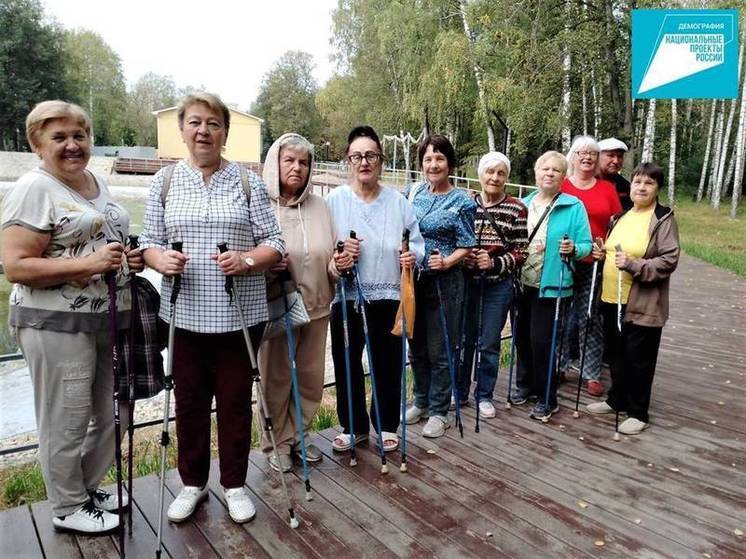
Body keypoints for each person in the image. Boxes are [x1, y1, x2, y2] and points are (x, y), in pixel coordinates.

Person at [140, 93, 284, 524]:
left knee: (236, 403)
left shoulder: (247, 183)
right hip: (183, 315)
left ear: (225, 132)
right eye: (195, 123)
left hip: (238, 315)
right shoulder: (163, 182)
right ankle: (193, 483)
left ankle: (235, 484)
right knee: (189, 403)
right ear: (182, 129)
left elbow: (274, 244)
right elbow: (148, 241)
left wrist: (246, 261)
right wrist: (157, 259)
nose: (204, 131)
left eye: (213, 124)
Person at [1, 100, 143, 533]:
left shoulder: (95, 180)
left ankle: (86, 487)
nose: (71, 145)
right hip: (55, 324)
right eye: (59, 137)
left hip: (105, 321)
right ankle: (66, 506)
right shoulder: (33, 187)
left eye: (79, 135)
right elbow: (16, 266)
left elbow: (99, 241)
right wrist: (89, 265)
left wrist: (125, 260)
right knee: (68, 415)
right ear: (37, 143)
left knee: (114, 408)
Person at [327, 125, 424, 453]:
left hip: (388, 296)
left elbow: (418, 244)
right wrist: (339, 258)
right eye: (357, 156)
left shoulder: (398, 202)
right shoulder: (334, 201)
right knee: (347, 362)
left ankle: (385, 423)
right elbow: (325, 249)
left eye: (370, 155)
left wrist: (413, 256)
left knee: (388, 361)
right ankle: (352, 426)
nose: (364, 162)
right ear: (348, 160)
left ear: (381, 160)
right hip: (347, 296)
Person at [258, 133, 336, 473]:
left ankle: (302, 435)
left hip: (318, 304)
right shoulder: (260, 204)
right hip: (276, 306)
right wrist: (265, 265)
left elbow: (331, 257)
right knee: (274, 377)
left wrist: (341, 264)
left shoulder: (320, 206)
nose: (297, 168)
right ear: (275, 162)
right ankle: (277, 441)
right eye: (289, 160)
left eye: (303, 162)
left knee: (309, 376)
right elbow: (250, 255)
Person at [586, 162, 680, 435]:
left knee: (639, 358)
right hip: (610, 297)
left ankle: (638, 412)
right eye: (638, 182)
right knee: (615, 354)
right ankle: (617, 400)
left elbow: (669, 259)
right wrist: (602, 253)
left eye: (648, 183)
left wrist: (634, 264)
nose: (641, 187)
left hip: (642, 302)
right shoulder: (621, 216)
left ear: (657, 188)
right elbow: (615, 252)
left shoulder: (663, 218)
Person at [404, 135, 476, 438]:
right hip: (413, 281)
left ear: (450, 163)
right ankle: (420, 400)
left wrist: (447, 262)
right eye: (428, 159)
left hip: (446, 284)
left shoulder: (461, 200)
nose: (433, 164)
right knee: (416, 345)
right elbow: (402, 230)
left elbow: (468, 243)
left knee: (441, 348)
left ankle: (439, 410)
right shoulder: (412, 193)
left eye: (440, 158)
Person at [513, 151, 592, 421]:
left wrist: (573, 248)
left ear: (563, 176)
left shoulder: (573, 206)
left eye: (556, 170)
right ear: (536, 173)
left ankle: (548, 397)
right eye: (544, 169)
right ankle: (526, 385)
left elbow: (586, 246)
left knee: (542, 342)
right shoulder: (522, 204)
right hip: (522, 283)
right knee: (521, 338)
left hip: (552, 285)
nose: (549, 173)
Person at [457, 152, 528, 419]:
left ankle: (484, 394)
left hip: (498, 286)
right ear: (480, 175)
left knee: (489, 342)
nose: (494, 178)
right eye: (490, 172)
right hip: (467, 283)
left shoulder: (517, 208)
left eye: (500, 173)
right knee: (464, 340)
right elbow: (457, 239)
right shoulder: (466, 204)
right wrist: (465, 257)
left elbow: (522, 252)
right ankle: (459, 391)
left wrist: (494, 262)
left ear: (507, 178)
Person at [561, 136, 622, 396]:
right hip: (563, 260)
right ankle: (559, 364)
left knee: (591, 316)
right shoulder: (561, 185)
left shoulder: (607, 189)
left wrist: (607, 248)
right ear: (572, 156)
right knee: (561, 313)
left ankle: (591, 372)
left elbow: (616, 224)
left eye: (593, 154)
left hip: (595, 261)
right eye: (581, 152)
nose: (587, 157)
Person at [598, 137, 632, 211]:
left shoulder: (625, 186)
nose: (616, 161)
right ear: (598, 156)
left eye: (620, 156)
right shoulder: (586, 183)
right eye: (611, 156)